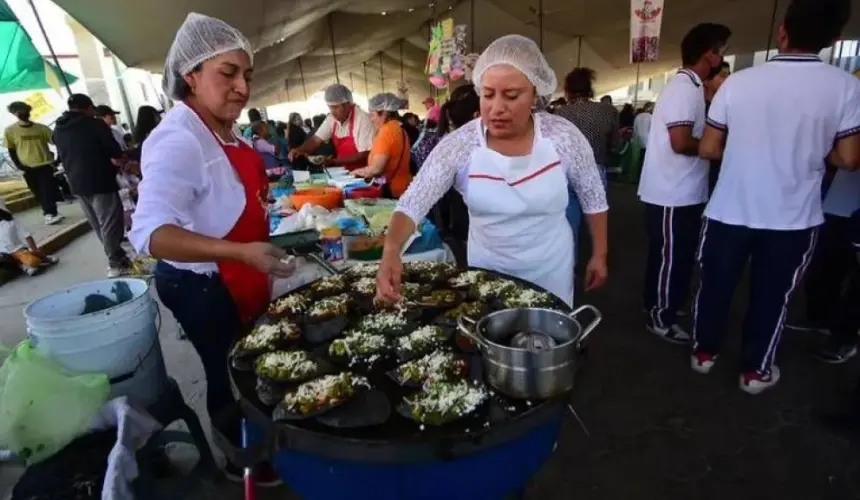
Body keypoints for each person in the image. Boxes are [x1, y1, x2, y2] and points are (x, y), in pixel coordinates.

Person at [129, 13, 293, 486]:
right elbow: (151, 234)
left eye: (247, 75)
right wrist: (241, 253)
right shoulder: (178, 139)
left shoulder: (225, 132)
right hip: (200, 284)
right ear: (191, 76)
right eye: (228, 72)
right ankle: (238, 462)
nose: (242, 86)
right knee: (227, 374)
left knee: (249, 364)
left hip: (238, 273)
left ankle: (255, 444)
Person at [695, 0, 859, 394]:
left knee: (715, 284)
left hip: (729, 210)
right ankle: (755, 371)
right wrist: (813, 150)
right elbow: (851, 158)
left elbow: (709, 149)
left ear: (781, 31)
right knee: (774, 296)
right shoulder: (846, 87)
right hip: (793, 219)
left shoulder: (738, 82)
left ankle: (704, 353)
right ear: (835, 38)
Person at [375, 35, 609, 308]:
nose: (497, 108)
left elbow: (593, 197)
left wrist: (600, 253)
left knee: (546, 343)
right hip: (487, 274)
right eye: (488, 95)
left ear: (535, 94)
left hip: (550, 271)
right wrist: (391, 249)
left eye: (511, 95)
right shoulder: (462, 145)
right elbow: (413, 202)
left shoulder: (562, 137)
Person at [638, 23, 731, 344]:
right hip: (671, 192)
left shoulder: (691, 86)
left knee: (668, 255)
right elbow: (680, 141)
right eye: (721, 51)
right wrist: (713, 148)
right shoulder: (683, 87)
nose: (722, 59)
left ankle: (659, 303)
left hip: (680, 191)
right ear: (709, 55)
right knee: (671, 257)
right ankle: (660, 316)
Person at [53, 93, 131, 277]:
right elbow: (115, 152)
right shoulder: (95, 125)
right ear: (88, 107)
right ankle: (114, 262)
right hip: (100, 179)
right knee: (110, 221)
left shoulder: (58, 129)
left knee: (98, 223)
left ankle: (119, 256)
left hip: (76, 182)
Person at [413, 84, 480, 266]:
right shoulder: (470, 143)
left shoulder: (442, 139)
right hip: (468, 220)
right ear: (478, 113)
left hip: (450, 211)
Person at [288, 84, 374, 171]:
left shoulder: (362, 119)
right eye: (330, 107)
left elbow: (364, 153)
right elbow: (315, 140)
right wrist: (299, 150)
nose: (332, 112)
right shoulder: (331, 119)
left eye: (335, 107)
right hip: (346, 172)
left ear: (347, 104)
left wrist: (333, 161)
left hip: (364, 172)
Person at [4, 102, 63, 225]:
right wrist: (19, 166)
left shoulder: (41, 128)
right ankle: (52, 212)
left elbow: (59, 142)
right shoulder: (10, 131)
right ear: (14, 114)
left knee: (46, 189)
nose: (24, 114)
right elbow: (11, 150)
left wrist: (58, 160)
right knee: (38, 191)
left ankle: (49, 213)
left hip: (45, 164)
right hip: (27, 167)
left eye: (25, 111)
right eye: (19, 112)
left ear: (29, 112)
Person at [351, 93, 413, 199]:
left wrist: (355, 172)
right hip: (403, 189)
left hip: (390, 192)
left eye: (373, 115)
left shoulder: (386, 131)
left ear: (384, 113)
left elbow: (376, 169)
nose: (371, 119)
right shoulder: (400, 130)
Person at [0, 197, 58, 276]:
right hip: (3, 254)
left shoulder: (12, 221)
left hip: (18, 250)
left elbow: (27, 235)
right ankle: (23, 266)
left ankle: (44, 259)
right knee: (3, 259)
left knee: (32, 261)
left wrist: (34, 249)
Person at [703, 62, 731, 194]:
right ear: (707, 81)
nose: (727, 79)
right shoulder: (700, 107)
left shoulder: (729, 108)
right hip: (703, 175)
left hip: (721, 174)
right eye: (722, 75)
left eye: (728, 75)